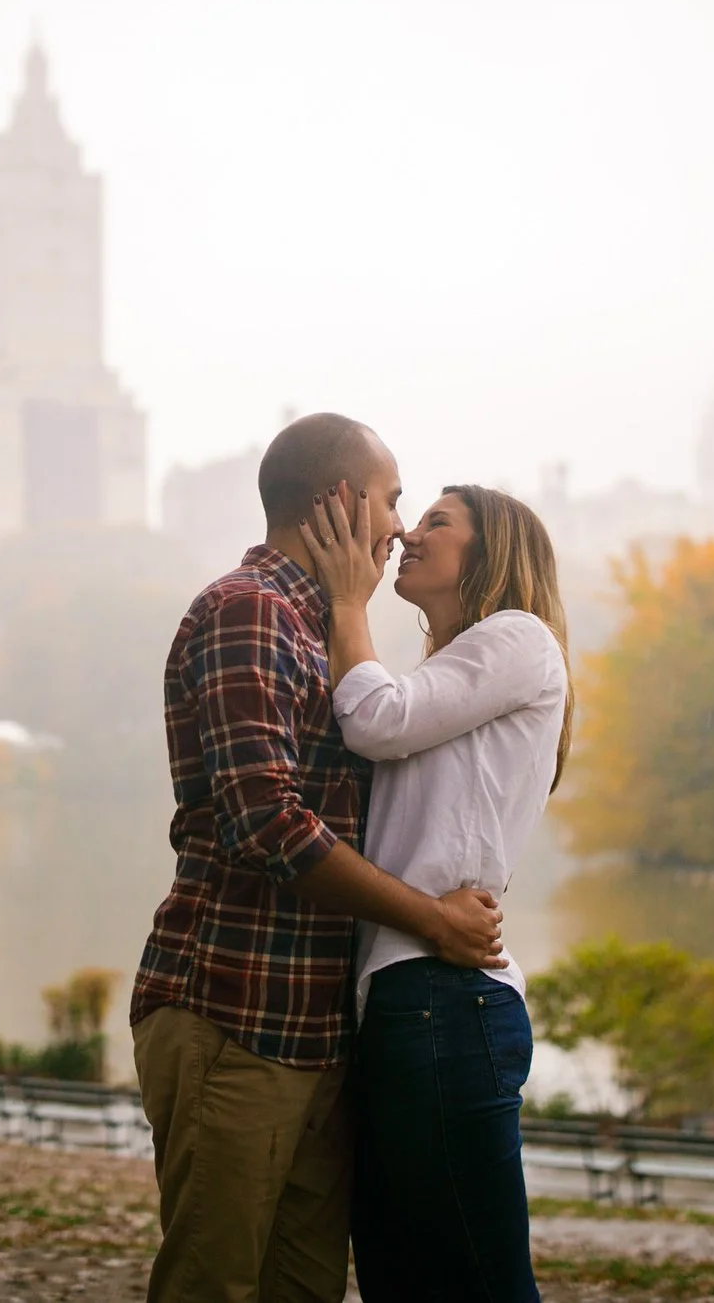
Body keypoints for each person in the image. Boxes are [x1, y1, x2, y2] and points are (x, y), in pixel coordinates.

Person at [130, 413, 511, 1303]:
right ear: (335, 503)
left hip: (315, 1032)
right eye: (390, 502)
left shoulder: (327, 634)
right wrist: (432, 921)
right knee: (213, 1285)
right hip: (234, 1013)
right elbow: (270, 823)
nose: (400, 530)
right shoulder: (246, 610)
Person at [299, 480, 572, 1303]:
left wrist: (349, 600)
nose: (410, 535)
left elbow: (375, 719)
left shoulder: (518, 638)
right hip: (403, 1003)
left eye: (437, 522)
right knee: (401, 1283)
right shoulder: (452, 671)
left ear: (492, 553)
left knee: (481, 1285)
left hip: (447, 1006)